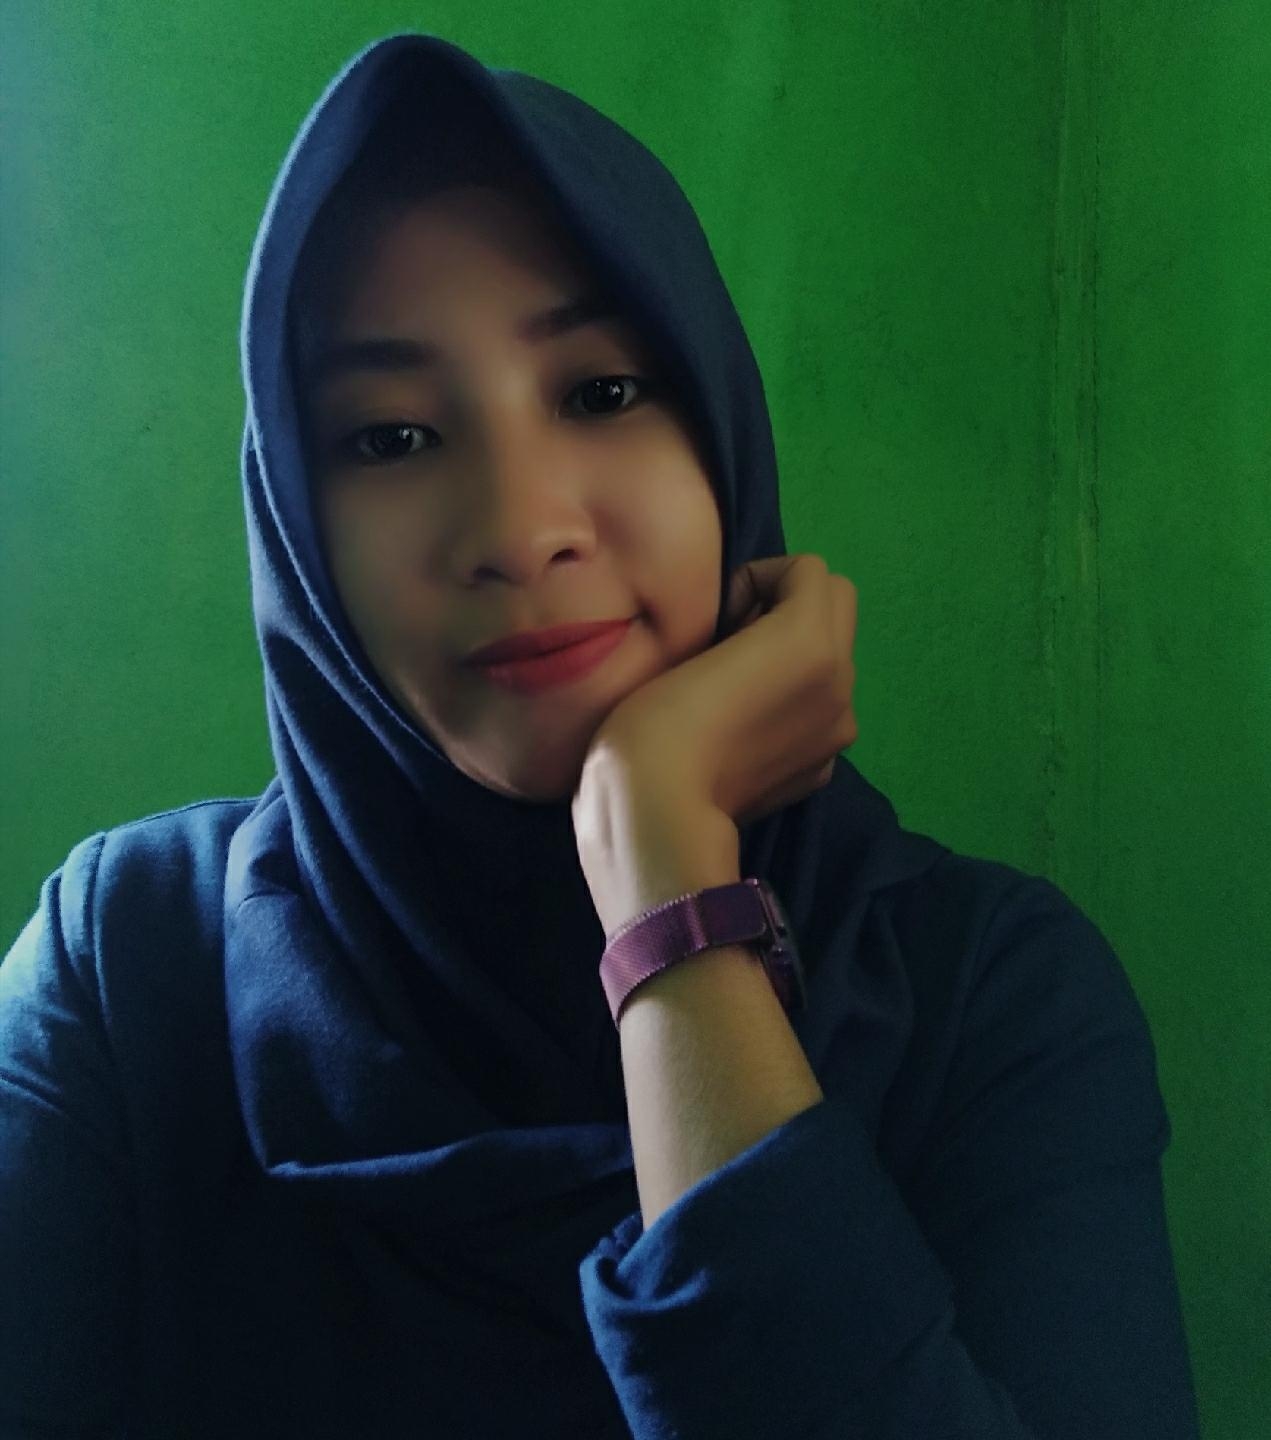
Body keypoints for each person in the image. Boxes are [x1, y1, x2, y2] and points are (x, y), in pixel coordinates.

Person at [0, 31, 1200, 1439]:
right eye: (389, 437)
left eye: (602, 392)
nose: (519, 531)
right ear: (297, 529)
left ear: (720, 433)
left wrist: (671, 886)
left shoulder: (987, 995)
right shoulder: (127, 970)